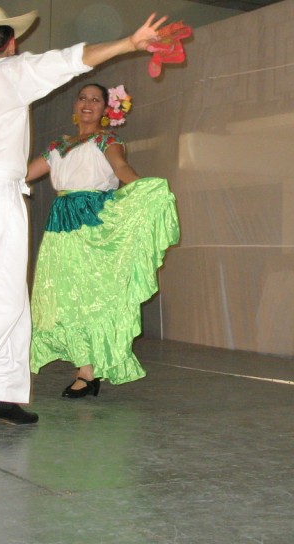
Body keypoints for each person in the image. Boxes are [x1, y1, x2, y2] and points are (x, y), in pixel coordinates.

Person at [0, 5, 168, 433]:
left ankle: (1, 394)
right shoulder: (5, 74)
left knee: (8, 297)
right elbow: (70, 60)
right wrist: (128, 42)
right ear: (11, 43)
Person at [26, 84, 179, 397]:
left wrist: (144, 191)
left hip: (95, 221)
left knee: (91, 296)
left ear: (106, 110)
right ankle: (74, 363)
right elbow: (24, 174)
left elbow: (120, 168)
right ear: (75, 104)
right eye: (83, 97)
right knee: (59, 294)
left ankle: (88, 372)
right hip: (60, 224)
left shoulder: (108, 140)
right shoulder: (58, 145)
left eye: (96, 100)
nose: (88, 103)